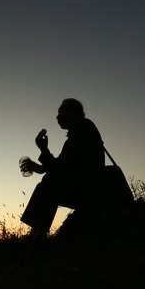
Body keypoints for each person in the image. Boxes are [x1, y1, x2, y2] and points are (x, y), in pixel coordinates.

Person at [19, 98, 105, 239]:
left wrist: (44, 150)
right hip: (85, 185)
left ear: (73, 113)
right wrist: (39, 167)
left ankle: (36, 237)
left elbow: (60, 168)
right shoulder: (80, 130)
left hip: (88, 189)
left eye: (61, 111)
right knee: (48, 181)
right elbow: (63, 165)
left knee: (48, 184)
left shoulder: (82, 131)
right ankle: (36, 235)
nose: (57, 116)